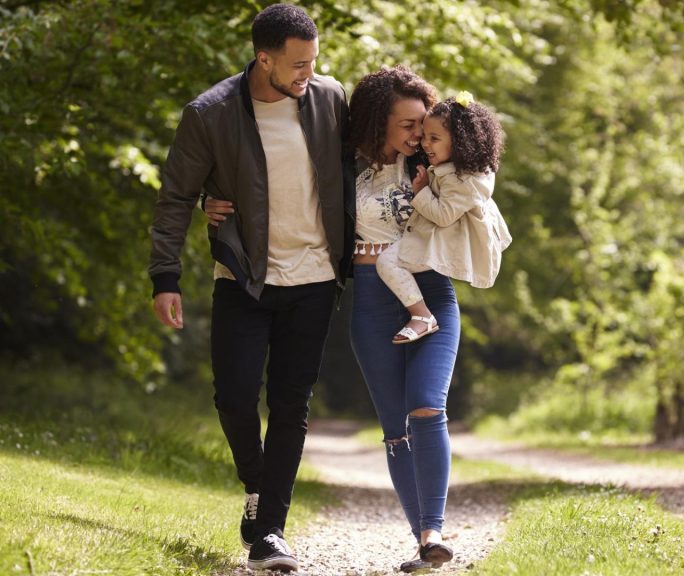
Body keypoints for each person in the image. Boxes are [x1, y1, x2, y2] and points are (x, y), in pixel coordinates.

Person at [207, 65, 459, 573]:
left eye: (423, 123)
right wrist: (212, 200)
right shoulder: (344, 163)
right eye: (407, 124)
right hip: (371, 294)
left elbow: (478, 184)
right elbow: (278, 178)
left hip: (429, 289)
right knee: (394, 429)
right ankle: (420, 538)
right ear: (376, 123)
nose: (418, 134)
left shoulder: (437, 162)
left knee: (428, 407)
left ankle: (433, 533)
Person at [148, 4, 353, 572]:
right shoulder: (210, 114)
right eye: (296, 65)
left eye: (313, 62)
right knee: (235, 396)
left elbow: (363, 166)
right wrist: (166, 276)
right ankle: (259, 485)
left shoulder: (329, 98)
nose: (307, 74)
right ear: (263, 58)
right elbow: (174, 200)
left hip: (314, 277)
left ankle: (270, 532)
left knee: (291, 403)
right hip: (244, 276)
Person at [375, 91, 512, 344]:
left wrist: (421, 192)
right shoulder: (456, 170)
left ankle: (422, 316)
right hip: (436, 237)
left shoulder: (465, 181)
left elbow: (443, 215)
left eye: (434, 138)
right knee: (391, 260)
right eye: (425, 136)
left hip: (448, 242)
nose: (425, 144)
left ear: (460, 143)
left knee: (387, 263)